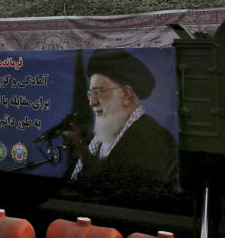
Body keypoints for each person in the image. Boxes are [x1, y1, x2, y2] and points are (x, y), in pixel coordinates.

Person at [67, 48, 179, 200]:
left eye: (98, 92)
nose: (92, 102)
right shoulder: (102, 135)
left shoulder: (155, 139)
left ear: (126, 94)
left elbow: (122, 189)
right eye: (90, 94)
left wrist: (85, 156)